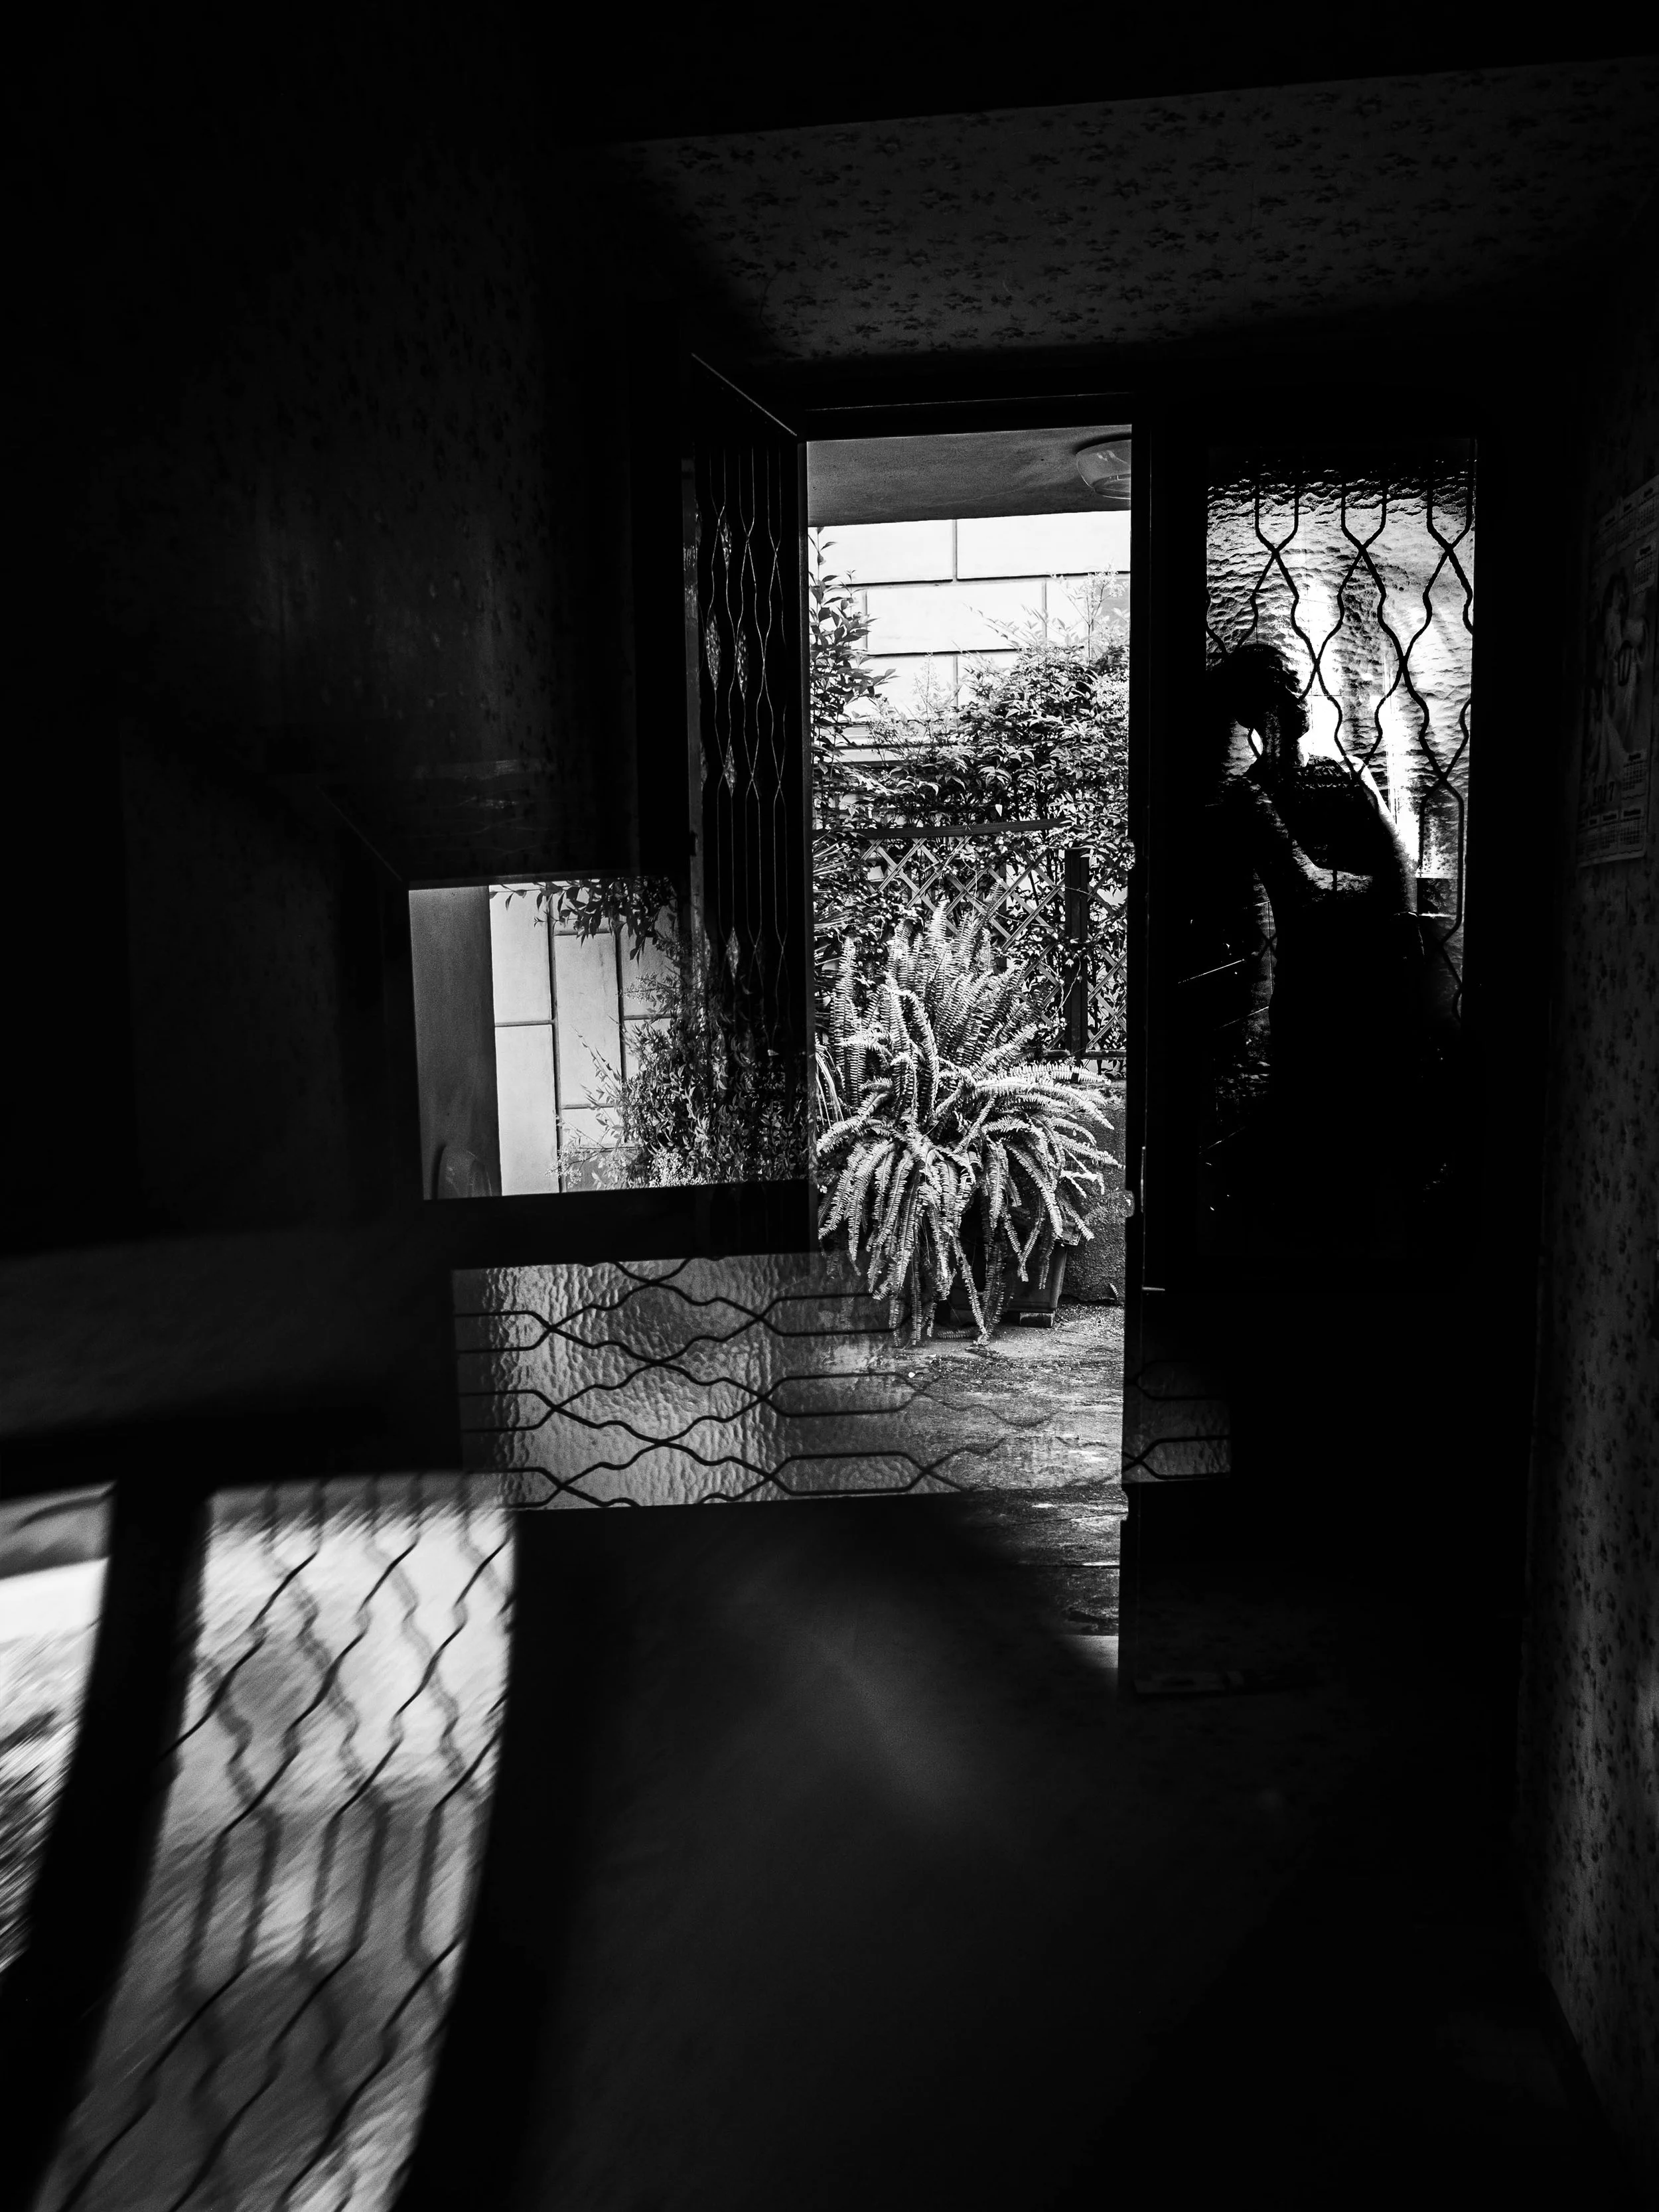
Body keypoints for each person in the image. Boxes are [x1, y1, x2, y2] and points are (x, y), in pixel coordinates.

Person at [1202, 642, 1423, 1252]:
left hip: (1365, 987)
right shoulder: (1254, 796)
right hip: (1315, 990)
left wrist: (1388, 911)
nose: (1291, 706)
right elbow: (1313, 889)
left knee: (1358, 1135)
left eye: (1291, 691)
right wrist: (1378, 896)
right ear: (1255, 715)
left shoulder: (1334, 775)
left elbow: (1389, 868)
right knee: (1316, 1133)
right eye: (1276, 696)